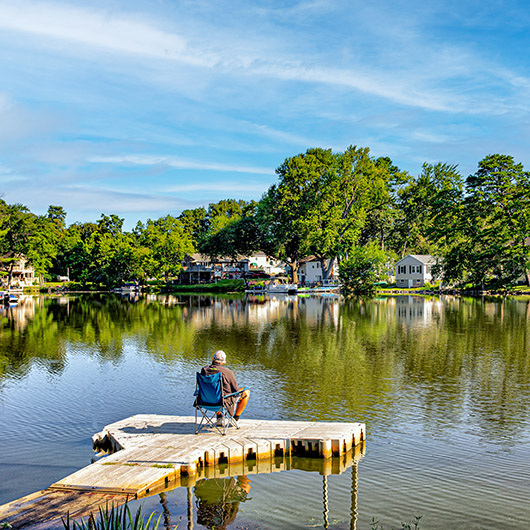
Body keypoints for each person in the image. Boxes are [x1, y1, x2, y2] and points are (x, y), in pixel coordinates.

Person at [201, 350, 250, 426]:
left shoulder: (204, 370)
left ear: (213, 358)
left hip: (205, 400)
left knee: (213, 391)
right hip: (224, 401)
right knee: (246, 392)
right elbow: (236, 390)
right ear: (224, 361)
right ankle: (235, 418)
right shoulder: (228, 372)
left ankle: (219, 417)